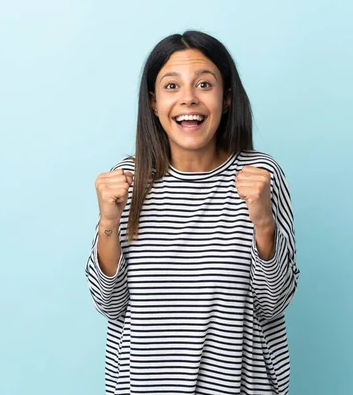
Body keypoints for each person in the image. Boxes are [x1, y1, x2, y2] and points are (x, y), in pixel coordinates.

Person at [85, 30, 299, 395]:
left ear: (227, 98)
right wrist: (109, 222)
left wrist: (263, 222)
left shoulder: (261, 176)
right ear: (153, 103)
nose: (188, 99)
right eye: (172, 86)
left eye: (204, 84)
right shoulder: (127, 180)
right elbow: (109, 303)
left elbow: (273, 304)